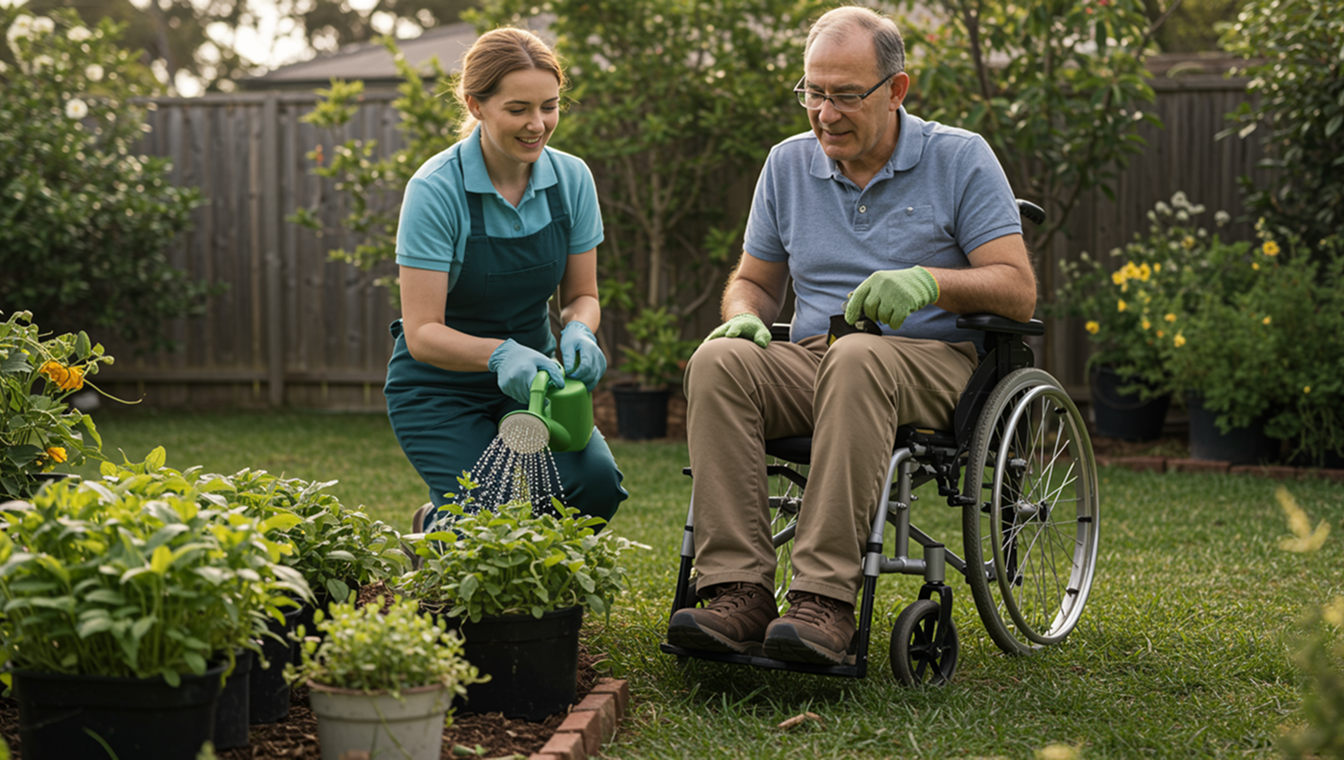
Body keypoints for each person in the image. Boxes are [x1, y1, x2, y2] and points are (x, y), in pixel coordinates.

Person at [666, 6, 1036, 667]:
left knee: (860, 357)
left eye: (844, 95)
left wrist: (930, 282)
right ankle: (737, 592)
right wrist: (744, 312)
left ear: (896, 90)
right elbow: (752, 280)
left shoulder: (959, 158)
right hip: (819, 359)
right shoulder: (787, 166)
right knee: (717, 361)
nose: (825, 113)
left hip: (934, 364)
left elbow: (1016, 287)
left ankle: (823, 600)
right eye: (813, 92)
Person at [384, 27, 627, 530]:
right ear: (476, 104)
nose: (537, 124)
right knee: (482, 512)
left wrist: (580, 327)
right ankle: (437, 527)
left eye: (550, 106)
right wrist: (498, 353)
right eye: (517, 109)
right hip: (440, 387)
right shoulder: (436, 190)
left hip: (534, 381)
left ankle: (546, 584)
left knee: (593, 485)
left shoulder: (572, 180)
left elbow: (582, 294)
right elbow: (422, 331)